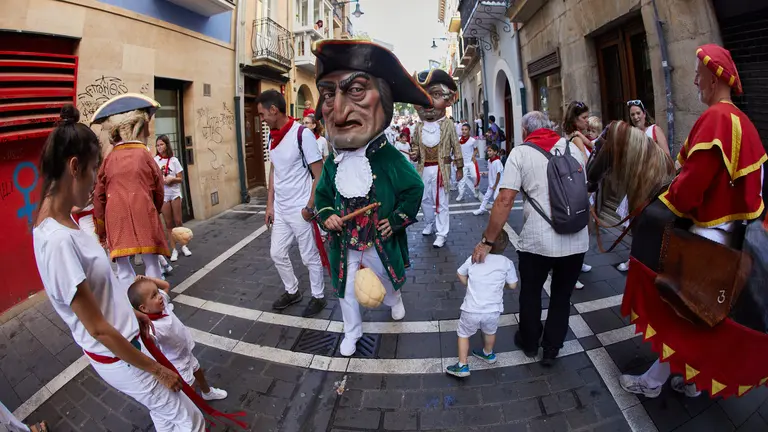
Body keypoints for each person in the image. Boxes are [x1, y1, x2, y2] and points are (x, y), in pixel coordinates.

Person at [33, 105, 204, 431]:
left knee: (174, 418)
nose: (97, 179)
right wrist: (159, 370)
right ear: (74, 167)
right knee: (190, 419)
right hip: (117, 355)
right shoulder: (56, 240)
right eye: (94, 169)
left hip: (126, 342)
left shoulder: (61, 223)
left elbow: (99, 292)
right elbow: (96, 328)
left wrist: (131, 315)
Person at [619, 44, 767, 399]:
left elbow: (690, 190)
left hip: (706, 237)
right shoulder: (744, 122)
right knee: (705, 317)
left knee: (679, 316)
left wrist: (659, 203)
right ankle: (690, 379)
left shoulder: (717, 119)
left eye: (700, 74)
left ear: (715, 78)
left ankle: (652, 383)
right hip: (734, 237)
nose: (696, 80)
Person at [313, 39, 425, 356]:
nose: (337, 109)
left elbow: (414, 189)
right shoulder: (334, 163)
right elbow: (322, 196)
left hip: (377, 239)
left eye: (356, 91)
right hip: (345, 240)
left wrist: (397, 220)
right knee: (346, 290)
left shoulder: (390, 159)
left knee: (387, 279)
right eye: (328, 95)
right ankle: (352, 332)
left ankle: (395, 298)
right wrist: (327, 214)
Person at [472, 111, 588, 366]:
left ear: (526, 131)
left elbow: (505, 200)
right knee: (561, 296)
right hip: (577, 238)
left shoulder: (521, 153)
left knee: (532, 293)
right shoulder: (573, 148)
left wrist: (487, 241)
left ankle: (529, 342)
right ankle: (552, 348)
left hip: (538, 240)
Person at [260, 90, 327, 318]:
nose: (262, 119)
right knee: (277, 253)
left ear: (273, 110)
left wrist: (309, 206)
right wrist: (270, 205)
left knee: (309, 256)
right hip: (281, 207)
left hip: (301, 209)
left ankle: (318, 296)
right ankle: (293, 290)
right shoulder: (273, 136)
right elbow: (274, 170)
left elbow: (320, 174)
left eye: (262, 114)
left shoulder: (302, 135)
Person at [93, 98, 170, 287]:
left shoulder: (109, 159)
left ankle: (131, 306)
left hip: (115, 216)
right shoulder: (144, 154)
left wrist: (101, 229)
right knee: (152, 262)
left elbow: (99, 196)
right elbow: (159, 188)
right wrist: (154, 208)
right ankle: (160, 300)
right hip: (144, 209)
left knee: (123, 267)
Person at [128, 276, 227, 401]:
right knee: (189, 387)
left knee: (198, 370)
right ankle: (193, 408)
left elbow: (165, 285)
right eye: (153, 296)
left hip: (186, 351)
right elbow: (151, 344)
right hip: (177, 362)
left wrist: (147, 279)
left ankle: (207, 392)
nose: (159, 296)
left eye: (157, 292)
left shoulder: (162, 304)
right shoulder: (151, 327)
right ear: (143, 308)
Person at [446, 230, 518, 377]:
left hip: (471, 309)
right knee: (490, 332)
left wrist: (469, 284)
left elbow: (460, 273)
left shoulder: (474, 258)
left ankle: (462, 365)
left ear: (484, 242)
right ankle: (488, 353)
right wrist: (501, 285)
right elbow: (512, 285)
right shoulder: (506, 263)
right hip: (493, 310)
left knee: (464, 334)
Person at [615, 99, 672, 272]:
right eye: (632, 114)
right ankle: (634, 259)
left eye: (638, 113)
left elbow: (667, 156)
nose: (635, 117)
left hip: (654, 186)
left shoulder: (654, 130)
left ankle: (655, 260)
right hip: (635, 185)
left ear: (644, 114)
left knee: (653, 225)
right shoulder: (630, 134)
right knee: (635, 224)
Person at [411, 68, 464, 248]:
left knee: (442, 202)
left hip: (442, 169)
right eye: (421, 96)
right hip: (423, 169)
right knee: (425, 200)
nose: (427, 102)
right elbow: (415, 146)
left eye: (434, 94)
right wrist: (414, 153)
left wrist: (460, 167)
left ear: (448, 100)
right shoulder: (418, 127)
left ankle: (442, 233)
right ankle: (429, 223)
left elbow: (456, 146)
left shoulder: (448, 124)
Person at [154, 135, 190, 263]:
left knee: (178, 221)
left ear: (167, 145)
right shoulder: (155, 161)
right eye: (157, 145)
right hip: (164, 195)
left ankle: (184, 245)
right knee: (169, 224)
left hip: (174, 193)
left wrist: (172, 179)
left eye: (161, 145)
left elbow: (180, 178)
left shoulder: (174, 160)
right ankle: (174, 249)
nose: (159, 147)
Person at [473, 144, 503, 215]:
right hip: (492, 183)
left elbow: (498, 174)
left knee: (496, 197)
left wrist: (495, 185)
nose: (488, 152)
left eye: (490, 151)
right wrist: (485, 174)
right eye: (488, 151)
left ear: (495, 152)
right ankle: (481, 209)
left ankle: (500, 212)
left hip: (498, 184)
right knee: (486, 196)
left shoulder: (497, 162)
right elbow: (491, 171)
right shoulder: (489, 161)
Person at [456, 123, 480, 202]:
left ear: (469, 131)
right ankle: (460, 194)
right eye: (462, 129)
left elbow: (476, 149)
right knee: (462, 180)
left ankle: (476, 189)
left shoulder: (473, 140)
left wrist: (473, 156)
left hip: (470, 162)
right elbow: (456, 151)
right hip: (462, 163)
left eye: (466, 129)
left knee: (475, 176)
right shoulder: (458, 140)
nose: (464, 131)